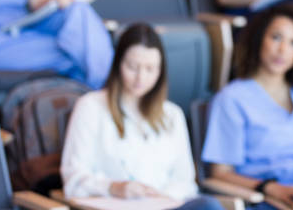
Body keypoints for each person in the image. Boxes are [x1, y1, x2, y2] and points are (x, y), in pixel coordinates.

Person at [202, 3, 293, 210]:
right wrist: (270, 189)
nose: (282, 50)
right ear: (259, 39)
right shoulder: (232, 99)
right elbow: (220, 173)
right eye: (276, 37)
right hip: (267, 199)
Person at [61, 23, 223, 210]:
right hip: (114, 206)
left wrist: (160, 196)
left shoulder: (172, 114)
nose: (141, 78)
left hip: (163, 205)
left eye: (150, 69)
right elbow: (74, 179)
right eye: (132, 67)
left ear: (161, 71)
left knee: (208, 205)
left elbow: (185, 182)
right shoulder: (91, 107)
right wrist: (114, 187)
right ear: (118, 64)